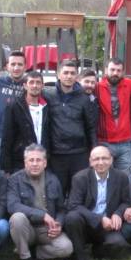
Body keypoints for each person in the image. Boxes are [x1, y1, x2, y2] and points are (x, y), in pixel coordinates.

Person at [7, 144, 73, 260]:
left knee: (66, 248)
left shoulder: (53, 179)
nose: (35, 164)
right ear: (25, 162)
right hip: (27, 228)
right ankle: (24, 259)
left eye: (38, 160)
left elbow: (61, 209)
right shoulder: (15, 180)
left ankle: (34, 253)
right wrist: (42, 215)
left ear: (45, 163)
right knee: (17, 218)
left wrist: (59, 224)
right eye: (31, 160)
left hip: (47, 229)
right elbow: (12, 205)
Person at [65, 146, 131, 260]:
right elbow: (73, 205)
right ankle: (79, 258)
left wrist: (118, 213)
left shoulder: (121, 177)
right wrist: (99, 219)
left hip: (108, 226)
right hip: (86, 223)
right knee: (72, 217)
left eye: (104, 158)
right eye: (96, 159)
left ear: (111, 160)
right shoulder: (80, 178)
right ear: (90, 161)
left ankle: (97, 250)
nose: (100, 162)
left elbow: (126, 202)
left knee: (119, 246)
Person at [46, 60, 98, 194]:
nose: (69, 76)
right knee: (57, 192)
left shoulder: (84, 98)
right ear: (58, 74)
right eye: (66, 73)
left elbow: (91, 127)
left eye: (72, 73)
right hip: (57, 154)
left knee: (79, 191)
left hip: (79, 153)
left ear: (76, 76)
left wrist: (93, 151)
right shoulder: (48, 95)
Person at [0, 71, 50, 174]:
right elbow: (7, 138)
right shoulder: (14, 106)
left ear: (42, 86)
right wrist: (6, 168)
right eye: (31, 82)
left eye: (38, 82)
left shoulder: (47, 106)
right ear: (25, 86)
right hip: (20, 161)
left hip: (43, 160)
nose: (34, 86)